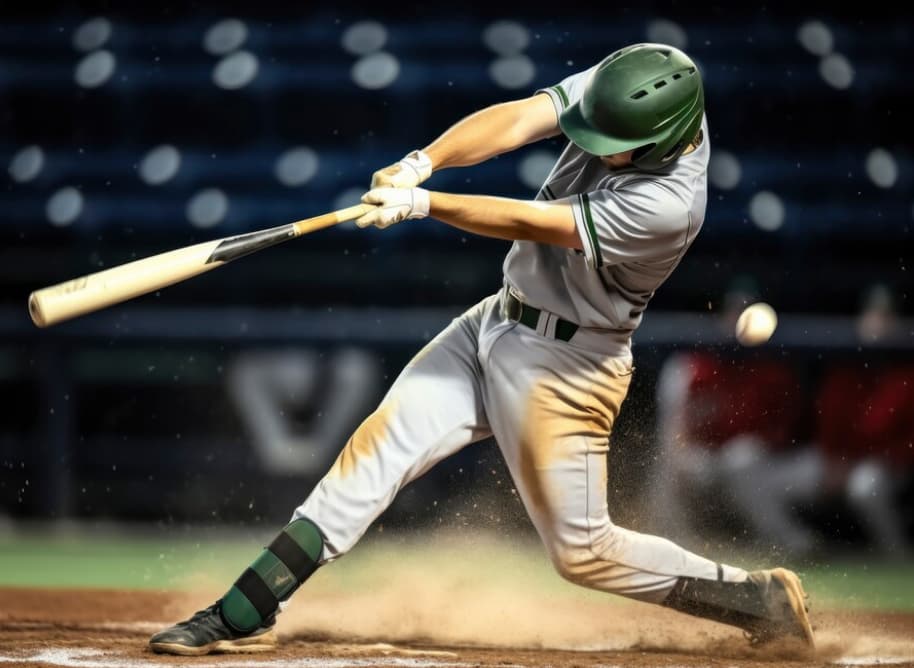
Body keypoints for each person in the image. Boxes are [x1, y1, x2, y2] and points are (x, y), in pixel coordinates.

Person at [149, 43, 814, 656]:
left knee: (581, 553)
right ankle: (252, 604)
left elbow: (534, 222)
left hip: (568, 367)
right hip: (495, 319)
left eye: (613, 145)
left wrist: (424, 205)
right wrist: (423, 161)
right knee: (379, 448)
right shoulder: (631, 83)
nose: (594, 145)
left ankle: (755, 598)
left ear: (658, 144)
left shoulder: (669, 204)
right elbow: (522, 118)